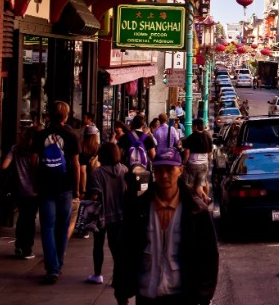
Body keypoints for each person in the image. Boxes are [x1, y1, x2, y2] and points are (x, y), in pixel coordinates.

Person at [113, 147, 218, 305]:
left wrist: (204, 295)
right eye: (159, 170)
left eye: (170, 169)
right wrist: (122, 289)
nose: (164, 175)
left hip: (182, 295)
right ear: (153, 172)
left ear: (180, 170)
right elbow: (125, 249)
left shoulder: (196, 211)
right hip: (147, 293)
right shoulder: (139, 208)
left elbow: (208, 256)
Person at [32, 101, 81, 284]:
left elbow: (33, 161)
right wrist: (76, 188)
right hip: (65, 187)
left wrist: (35, 181)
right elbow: (76, 165)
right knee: (62, 226)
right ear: (65, 116)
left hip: (45, 186)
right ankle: (58, 264)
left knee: (47, 227)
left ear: (49, 115)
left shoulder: (40, 135)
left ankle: (51, 267)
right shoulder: (71, 136)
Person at [86, 142, 128, 285]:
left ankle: (97, 274)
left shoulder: (97, 173)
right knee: (116, 246)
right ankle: (119, 276)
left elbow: (94, 196)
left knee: (98, 245)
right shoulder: (124, 169)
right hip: (119, 214)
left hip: (101, 215)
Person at [3, 126, 39, 259]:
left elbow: (4, 166)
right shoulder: (37, 151)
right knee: (30, 220)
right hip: (34, 191)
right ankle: (27, 249)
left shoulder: (15, 149)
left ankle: (18, 244)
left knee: (22, 218)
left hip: (19, 189)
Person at [182, 119, 214, 204]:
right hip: (204, 165)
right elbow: (210, 152)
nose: (192, 127)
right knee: (203, 183)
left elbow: (187, 152)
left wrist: (185, 162)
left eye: (192, 125)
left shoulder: (191, 137)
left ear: (195, 126)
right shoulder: (207, 136)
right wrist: (207, 160)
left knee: (193, 187)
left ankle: (205, 199)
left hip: (193, 164)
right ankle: (205, 200)